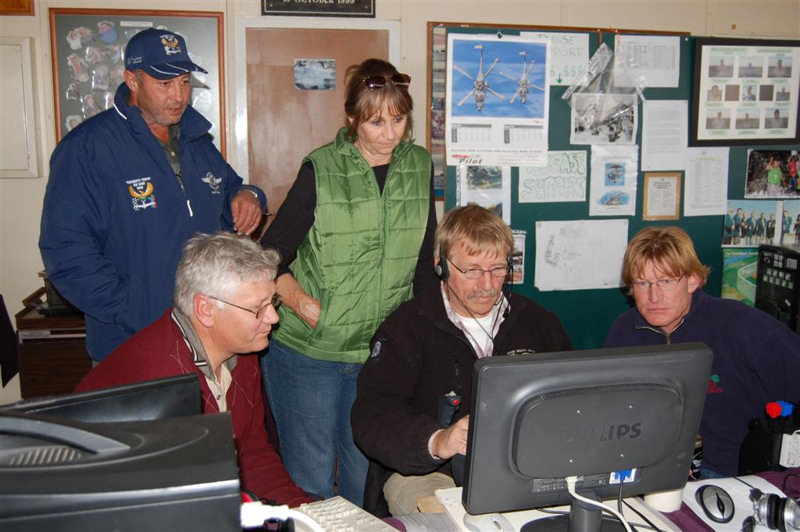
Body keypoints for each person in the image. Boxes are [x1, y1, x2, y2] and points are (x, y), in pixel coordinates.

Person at [259, 58, 438, 506]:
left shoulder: (419, 165)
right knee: (312, 480)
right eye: (377, 121)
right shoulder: (320, 168)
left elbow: (421, 259)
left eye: (398, 119)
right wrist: (304, 306)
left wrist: (424, 337)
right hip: (309, 352)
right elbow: (270, 255)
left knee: (363, 477)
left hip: (378, 354)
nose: (390, 133)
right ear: (353, 118)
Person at [40, 28, 265, 363]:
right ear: (132, 80)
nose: (178, 95)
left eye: (185, 82)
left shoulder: (195, 139)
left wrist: (248, 194)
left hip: (209, 337)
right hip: (132, 344)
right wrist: (133, 309)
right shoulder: (87, 148)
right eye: (164, 83)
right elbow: (67, 252)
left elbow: (225, 188)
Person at [351, 205, 572, 517]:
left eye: (497, 269)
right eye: (472, 270)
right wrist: (438, 440)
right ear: (441, 265)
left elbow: (573, 401)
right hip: (429, 470)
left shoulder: (538, 323)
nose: (487, 284)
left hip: (525, 462)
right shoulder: (405, 328)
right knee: (450, 520)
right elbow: (371, 418)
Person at [76, 232, 312, 506]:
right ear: (206, 310)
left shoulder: (241, 350)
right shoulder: (158, 383)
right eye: (258, 308)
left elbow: (252, 453)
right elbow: (166, 506)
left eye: (273, 302)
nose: (273, 317)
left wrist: (305, 512)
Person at [605, 226, 800, 478]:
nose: (653, 296)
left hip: (731, 473)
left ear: (693, 281)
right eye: (643, 283)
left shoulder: (741, 326)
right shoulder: (624, 331)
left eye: (665, 281)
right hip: (650, 467)